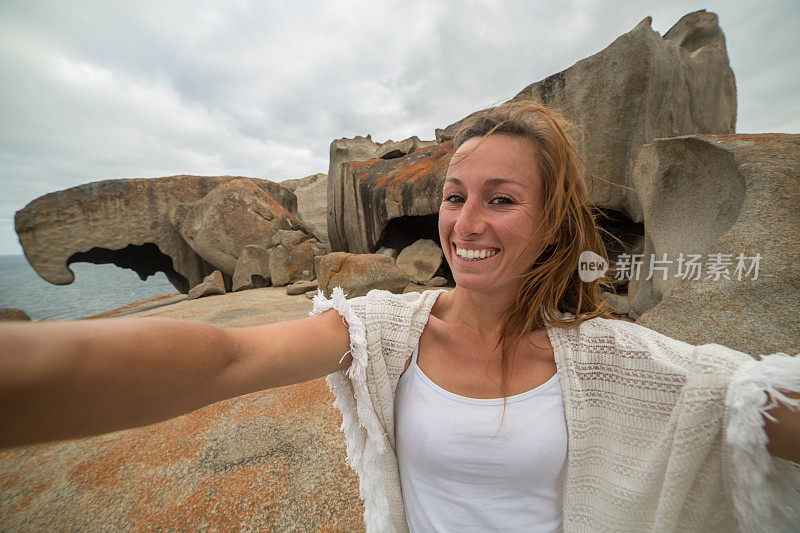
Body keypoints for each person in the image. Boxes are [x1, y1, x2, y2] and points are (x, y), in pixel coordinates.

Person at [1, 101, 798, 532]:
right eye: (455, 197)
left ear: (554, 223)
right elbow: (225, 360)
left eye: (502, 199)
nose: (466, 222)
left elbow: (739, 400)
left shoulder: (615, 358)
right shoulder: (384, 334)